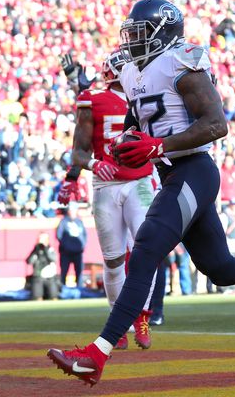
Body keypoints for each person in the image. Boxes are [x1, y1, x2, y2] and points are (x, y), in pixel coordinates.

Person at [47, 0, 235, 386]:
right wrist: (128, 138)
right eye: (130, 33)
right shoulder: (135, 70)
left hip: (194, 171)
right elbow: (138, 116)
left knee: (147, 246)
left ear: (163, 32)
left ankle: (98, 353)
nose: (131, 41)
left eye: (140, 33)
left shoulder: (181, 62)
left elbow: (216, 125)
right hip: (173, 175)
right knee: (222, 269)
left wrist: (157, 146)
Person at [57, 50, 158, 350]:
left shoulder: (147, 96)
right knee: (113, 259)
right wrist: (87, 167)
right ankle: (119, 320)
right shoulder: (93, 99)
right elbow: (78, 151)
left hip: (140, 180)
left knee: (147, 249)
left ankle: (142, 315)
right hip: (106, 184)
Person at [56, 202, 87, 287]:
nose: (73, 212)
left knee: (79, 272)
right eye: (71, 210)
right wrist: (66, 246)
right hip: (66, 253)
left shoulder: (79, 222)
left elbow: (84, 235)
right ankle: (62, 290)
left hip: (78, 252)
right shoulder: (63, 221)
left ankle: (80, 289)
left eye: (75, 210)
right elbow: (59, 235)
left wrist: (82, 246)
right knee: (64, 272)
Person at [26, 233, 59, 301]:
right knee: (37, 297)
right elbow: (29, 261)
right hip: (38, 277)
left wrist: (46, 250)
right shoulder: (36, 251)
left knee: (54, 296)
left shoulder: (50, 249)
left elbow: (53, 259)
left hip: (50, 277)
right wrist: (35, 251)